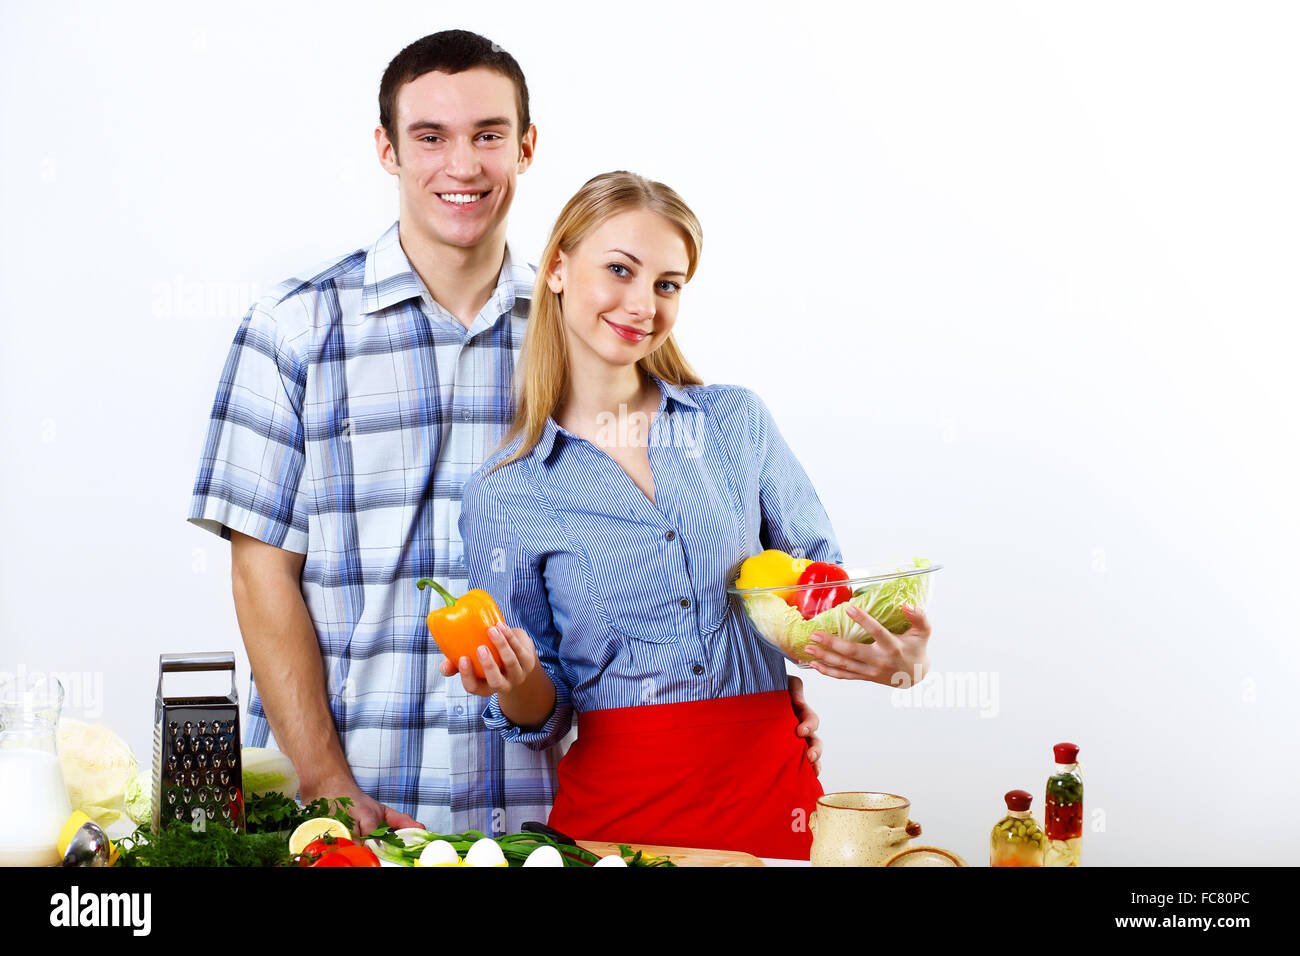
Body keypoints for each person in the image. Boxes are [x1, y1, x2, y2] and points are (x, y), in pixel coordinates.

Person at [187, 31, 823, 838]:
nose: (463, 165)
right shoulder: (295, 330)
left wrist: (750, 703)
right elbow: (260, 576)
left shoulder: (588, 319)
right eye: (430, 137)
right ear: (387, 149)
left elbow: (690, 526)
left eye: (489, 135)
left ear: (525, 147)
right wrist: (323, 778)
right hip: (358, 789)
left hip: (545, 803)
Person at [455, 172, 933, 859]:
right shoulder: (504, 493)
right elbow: (544, 712)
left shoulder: (736, 424)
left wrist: (895, 657)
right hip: (616, 820)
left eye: (667, 284)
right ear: (557, 269)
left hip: (773, 794)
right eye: (619, 270)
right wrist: (516, 678)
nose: (641, 303)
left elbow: (822, 594)